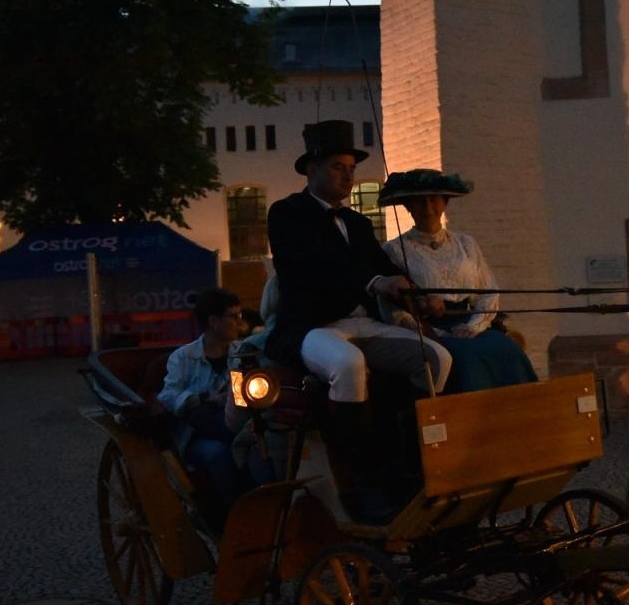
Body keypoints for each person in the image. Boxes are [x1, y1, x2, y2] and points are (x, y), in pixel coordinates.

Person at [265, 120, 451, 523]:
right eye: (337, 166)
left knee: (435, 358)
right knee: (349, 366)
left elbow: (384, 267)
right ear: (310, 169)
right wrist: (373, 281)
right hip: (311, 328)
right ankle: (364, 485)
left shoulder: (359, 224)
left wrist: (421, 298)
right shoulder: (286, 215)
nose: (348, 175)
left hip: (362, 325)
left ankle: (418, 469)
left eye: (351, 168)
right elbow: (316, 265)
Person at [378, 169, 538, 393]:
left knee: (508, 349)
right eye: (419, 201)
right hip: (429, 331)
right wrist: (433, 332)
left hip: (469, 324)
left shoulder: (465, 244)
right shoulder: (394, 250)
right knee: (465, 359)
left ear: (445, 202)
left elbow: (487, 291)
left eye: (434, 199)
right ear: (408, 206)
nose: (428, 207)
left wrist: (473, 326)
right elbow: (393, 309)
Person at [156, 287, 252, 532]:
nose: (240, 323)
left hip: (233, 423)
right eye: (235, 316)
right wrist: (205, 398)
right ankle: (232, 522)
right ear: (214, 322)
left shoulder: (241, 353)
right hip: (197, 434)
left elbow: (243, 396)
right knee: (218, 454)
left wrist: (233, 397)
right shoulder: (183, 357)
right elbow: (168, 395)